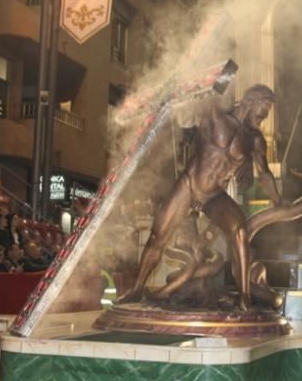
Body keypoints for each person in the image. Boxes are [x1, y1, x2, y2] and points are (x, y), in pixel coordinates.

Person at [116, 84, 285, 310]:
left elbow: (264, 174)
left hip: (214, 195)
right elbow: (208, 92)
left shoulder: (254, 140)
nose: (264, 117)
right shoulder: (216, 115)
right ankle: (137, 289)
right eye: (263, 110)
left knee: (240, 230)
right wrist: (221, 75)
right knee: (158, 237)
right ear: (252, 101)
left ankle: (244, 296)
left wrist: (278, 200)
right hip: (189, 185)